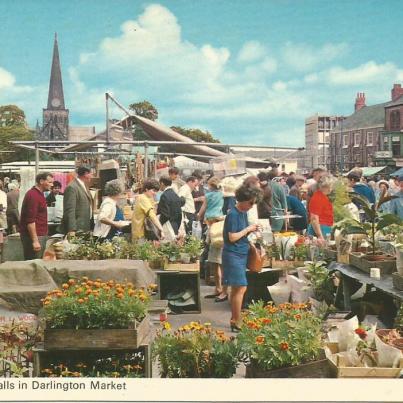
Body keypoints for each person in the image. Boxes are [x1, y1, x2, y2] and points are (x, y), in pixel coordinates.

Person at [222, 184, 262, 332]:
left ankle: (235, 318)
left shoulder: (242, 213)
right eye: (250, 202)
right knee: (241, 287)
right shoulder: (233, 214)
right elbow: (232, 237)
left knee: (236, 288)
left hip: (239, 253)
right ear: (243, 200)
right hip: (233, 254)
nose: (252, 206)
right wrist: (249, 229)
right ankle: (237, 320)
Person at [19, 172, 54, 259]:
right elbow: (30, 221)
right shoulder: (33, 195)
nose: (52, 185)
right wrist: (35, 241)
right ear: (41, 181)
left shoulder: (39, 194)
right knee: (33, 263)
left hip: (39, 234)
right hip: (33, 236)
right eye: (49, 182)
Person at [59, 166, 93, 236]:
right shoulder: (72, 187)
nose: (92, 176)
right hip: (77, 228)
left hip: (84, 226)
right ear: (86, 174)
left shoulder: (84, 185)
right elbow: (70, 209)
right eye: (91, 174)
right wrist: (72, 229)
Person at [307, 175, 334, 243]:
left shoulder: (322, 196)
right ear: (323, 186)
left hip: (324, 228)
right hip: (320, 229)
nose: (330, 189)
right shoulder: (318, 198)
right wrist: (320, 236)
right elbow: (314, 219)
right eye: (329, 186)